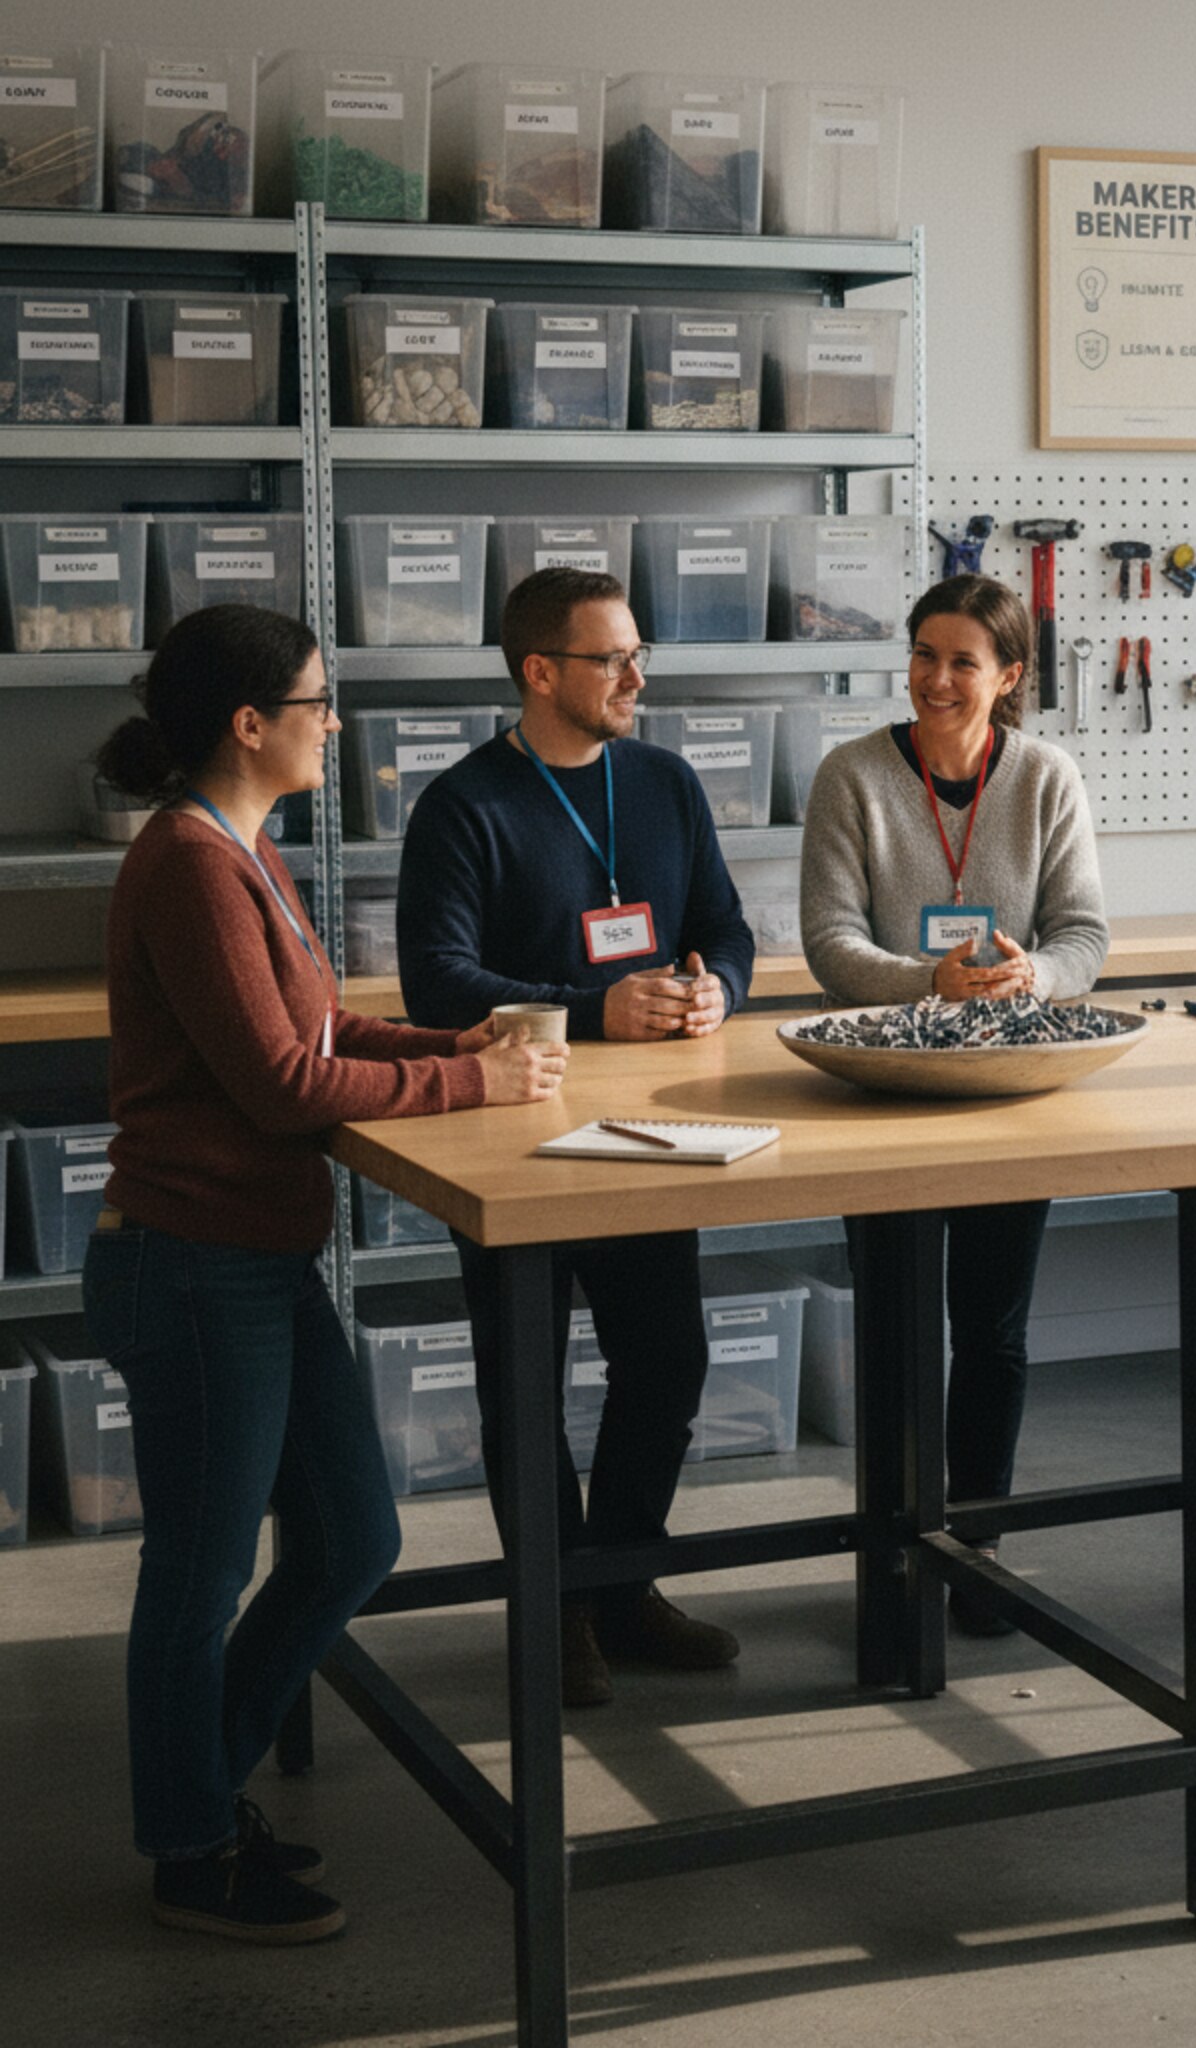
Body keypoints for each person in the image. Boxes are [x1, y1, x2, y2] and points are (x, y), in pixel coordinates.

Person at [82, 604, 564, 1944]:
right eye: (317, 701)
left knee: (354, 1537)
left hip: (259, 1263)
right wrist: (475, 1079)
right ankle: (190, 1845)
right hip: (187, 1269)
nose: (334, 722)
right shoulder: (188, 863)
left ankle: (200, 1784)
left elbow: (317, 1022)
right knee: (198, 1569)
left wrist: (445, 1034)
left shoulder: (244, 849)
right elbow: (285, 1084)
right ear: (251, 724)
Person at [399, 566, 755, 1710]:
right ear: (540, 670)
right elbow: (437, 979)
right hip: (518, 1128)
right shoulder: (464, 804)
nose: (637, 677)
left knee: (668, 1360)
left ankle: (620, 1581)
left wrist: (716, 994)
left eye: (638, 653)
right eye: (612, 660)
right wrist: (594, 1004)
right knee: (526, 1379)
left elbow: (725, 927)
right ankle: (552, 1611)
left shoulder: (664, 780)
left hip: (653, 1128)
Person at [800, 572, 1109, 1633]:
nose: (935, 677)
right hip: (880, 1091)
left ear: (1009, 675)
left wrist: (1036, 977)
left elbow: (1083, 934)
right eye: (923, 654)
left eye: (962, 660)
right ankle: (894, 1546)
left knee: (991, 1329)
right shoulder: (852, 774)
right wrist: (919, 980)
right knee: (893, 1329)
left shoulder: (1044, 777)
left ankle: (974, 1544)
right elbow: (829, 940)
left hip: (999, 1091)